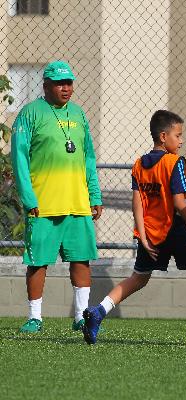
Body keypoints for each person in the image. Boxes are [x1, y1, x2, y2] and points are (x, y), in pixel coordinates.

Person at [82, 110, 186, 347]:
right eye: (178, 135)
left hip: (151, 234)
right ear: (164, 136)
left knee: (137, 279)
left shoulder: (138, 164)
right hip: (176, 229)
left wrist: (143, 237)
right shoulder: (174, 162)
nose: (181, 140)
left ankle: (99, 312)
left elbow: (137, 202)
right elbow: (179, 204)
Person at [11, 61, 102, 333]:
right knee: (38, 261)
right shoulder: (29, 114)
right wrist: (29, 199)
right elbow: (19, 159)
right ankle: (35, 317)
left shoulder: (78, 114)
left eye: (69, 83)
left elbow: (88, 158)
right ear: (46, 86)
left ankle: (81, 316)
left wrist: (94, 195)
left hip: (77, 202)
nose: (66, 88)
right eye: (60, 83)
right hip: (43, 205)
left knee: (81, 259)